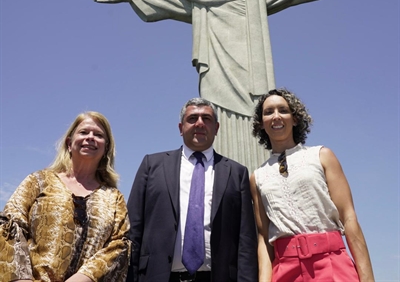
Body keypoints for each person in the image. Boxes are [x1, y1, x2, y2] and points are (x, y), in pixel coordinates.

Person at [92, 0, 374, 172]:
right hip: (215, 62)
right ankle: (222, 176)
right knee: (216, 113)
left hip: (251, 63)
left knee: (257, 110)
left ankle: (261, 174)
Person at [126, 97, 258, 282]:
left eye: (206, 119)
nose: (200, 124)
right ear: (181, 128)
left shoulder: (237, 173)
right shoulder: (152, 165)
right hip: (157, 276)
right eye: (192, 118)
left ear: (217, 128)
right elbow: (133, 228)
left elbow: (246, 239)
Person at [250, 88, 374, 282]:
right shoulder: (257, 177)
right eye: (268, 112)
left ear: (296, 118)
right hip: (285, 271)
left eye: (283, 110)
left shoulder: (322, 156)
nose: (276, 116)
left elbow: (349, 218)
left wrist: (367, 278)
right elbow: (265, 239)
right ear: (261, 123)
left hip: (332, 264)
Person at [0, 111, 131, 282]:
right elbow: (9, 225)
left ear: (106, 148)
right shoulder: (38, 181)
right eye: (84, 132)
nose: (90, 137)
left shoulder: (114, 198)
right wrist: (21, 279)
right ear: (69, 143)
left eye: (98, 135)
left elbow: (119, 245)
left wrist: (82, 278)